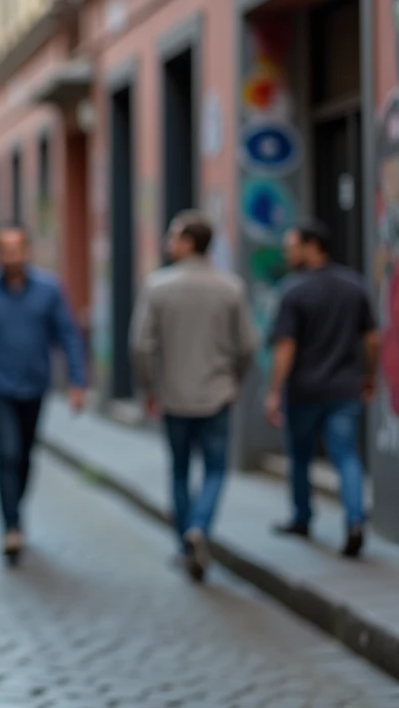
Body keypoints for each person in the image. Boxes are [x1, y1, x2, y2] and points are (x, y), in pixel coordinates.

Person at [130, 211, 256, 581]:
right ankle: (199, 527)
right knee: (216, 469)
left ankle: (186, 541)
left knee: (180, 470)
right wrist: (234, 381)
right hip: (218, 394)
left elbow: (140, 345)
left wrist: (149, 388)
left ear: (189, 243)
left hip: (174, 396)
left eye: (173, 236)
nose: (168, 243)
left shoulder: (158, 286)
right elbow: (248, 345)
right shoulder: (231, 287)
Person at [0, 224, 87, 564]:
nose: (12, 255)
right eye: (5, 249)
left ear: (26, 251)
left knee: (26, 456)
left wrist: (77, 381)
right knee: (8, 453)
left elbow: (68, 335)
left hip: (35, 386)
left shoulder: (48, 290)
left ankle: (16, 511)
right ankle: (11, 527)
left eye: (17, 248)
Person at [265, 219, 378, 558]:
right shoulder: (353, 284)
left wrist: (273, 391)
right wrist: (368, 376)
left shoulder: (292, 289)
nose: (287, 253)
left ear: (313, 246)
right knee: (346, 457)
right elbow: (372, 340)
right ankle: (355, 520)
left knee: (300, 458)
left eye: (291, 246)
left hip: (303, 391)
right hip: (344, 388)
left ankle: (302, 518)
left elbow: (285, 346)